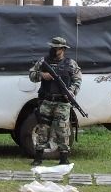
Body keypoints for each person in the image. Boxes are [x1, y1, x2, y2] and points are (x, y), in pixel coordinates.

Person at [29, 35, 82, 165]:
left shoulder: (71, 63)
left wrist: (71, 91)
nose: (53, 50)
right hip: (46, 101)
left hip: (62, 103)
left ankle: (64, 159)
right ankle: (38, 158)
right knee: (43, 129)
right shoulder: (43, 62)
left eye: (56, 48)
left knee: (62, 130)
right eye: (52, 47)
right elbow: (31, 75)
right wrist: (42, 75)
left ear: (63, 49)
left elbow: (77, 79)